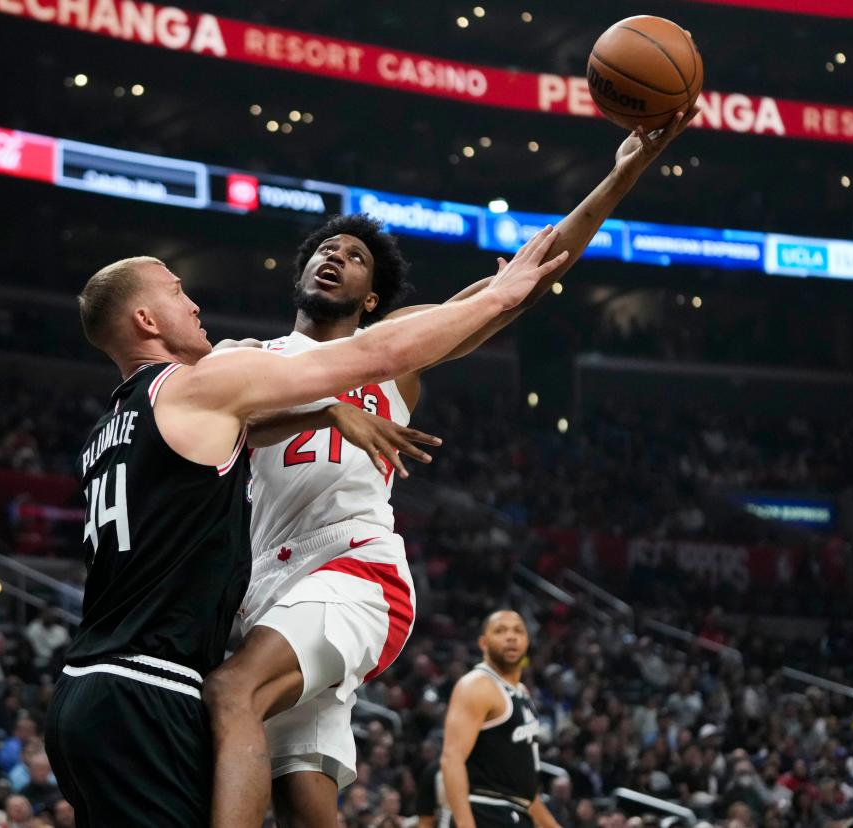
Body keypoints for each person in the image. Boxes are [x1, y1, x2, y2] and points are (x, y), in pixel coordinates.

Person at [203, 109, 698, 828]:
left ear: (372, 299)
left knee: (231, 695)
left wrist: (623, 173)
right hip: (263, 587)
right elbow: (220, 430)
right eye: (324, 249)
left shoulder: (396, 351)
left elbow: (526, 279)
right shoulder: (245, 358)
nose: (334, 256)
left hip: (353, 569)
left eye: (354, 256)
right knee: (301, 792)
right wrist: (324, 411)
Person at [44, 245, 568, 827]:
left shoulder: (106, 430)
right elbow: (376, 351)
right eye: (176, 292)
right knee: (233, 694)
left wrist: (320, 414)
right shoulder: (205, 380)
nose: (194, 305)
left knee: (300, 781)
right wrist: (499, 294)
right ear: (145, 320)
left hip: (79, 692)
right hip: (152, 683)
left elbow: (262, 423)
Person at [441, 611, 557, 828]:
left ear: (527, 641)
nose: (511, 636)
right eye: (500, 631)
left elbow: (525, 788)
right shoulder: (477, 685)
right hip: (484, 809)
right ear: (483, 643)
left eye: (518, 631)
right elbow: (451, 759)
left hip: (516, 812)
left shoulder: (522, 692)